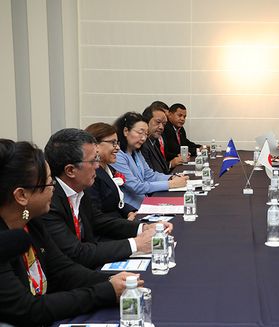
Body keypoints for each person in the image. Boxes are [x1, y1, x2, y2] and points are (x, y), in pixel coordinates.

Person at [0, 139, 140, 326]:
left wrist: (112, 280)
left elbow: (62, 270)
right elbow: (27, 309)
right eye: (49, 184)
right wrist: (105, 292)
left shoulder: (32, 221)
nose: (54, 189)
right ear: (21, 196)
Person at [42, 128, 169, 269]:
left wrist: (143, 228)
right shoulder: (49, 203)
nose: (97, 166)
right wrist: (136, 244)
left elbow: (99, 221)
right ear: (70, 170)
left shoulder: (78, 191)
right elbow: (76, 252)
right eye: (93, 161)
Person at [112, 112, 188, 209]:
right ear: (126, 131)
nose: (143, 138)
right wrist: (170, 184)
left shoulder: (136, 152)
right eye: (140, 133)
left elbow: (150, 175)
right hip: (131, 209)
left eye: (146, 134)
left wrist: (172, 178)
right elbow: (136, 186)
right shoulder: (118, 156)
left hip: (145, 202)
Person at [85, 122, 137, 220]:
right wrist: (128, 225)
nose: (117, 148)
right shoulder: (91, 175)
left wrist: (130, 211)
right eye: (113, 143)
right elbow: (97, 217)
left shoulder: (108, 168)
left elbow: (115, 203)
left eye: (117, 143)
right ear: (96, 145)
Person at [141, 103, 183, 174]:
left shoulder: (153, 142)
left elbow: (162, 168)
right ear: (146, 122)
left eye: (164, 124)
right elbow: (150, 176)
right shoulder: (143, 145)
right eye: (158, 122)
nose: (161, 127)